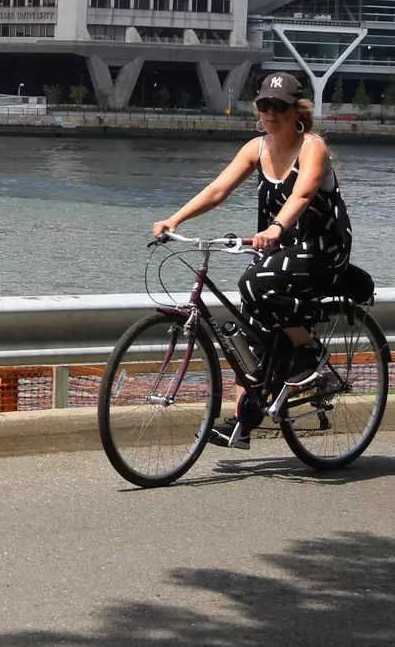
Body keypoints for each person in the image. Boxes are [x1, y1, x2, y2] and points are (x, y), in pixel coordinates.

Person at [151, 70, 353, 449]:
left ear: (296, 111)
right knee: (250, 331)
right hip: (281, 251)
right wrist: (175, 218)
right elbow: (217, 190)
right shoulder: (256, 148)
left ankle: (311, 352)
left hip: (323, 247)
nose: (270, 113)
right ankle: (244, 422)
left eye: (279, 106)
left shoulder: (312, 147)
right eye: (264, 105)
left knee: (253, 283)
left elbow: (304, 193)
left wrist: (276, 227)